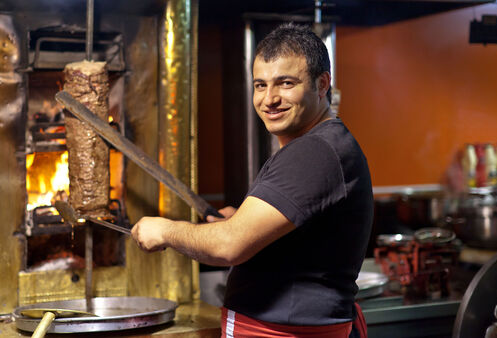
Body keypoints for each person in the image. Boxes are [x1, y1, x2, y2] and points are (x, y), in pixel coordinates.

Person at [131, 23, 373, 338]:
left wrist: (164, 230)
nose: (269, 99)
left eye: (286, 83)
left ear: (322, 83)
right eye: (260, 85)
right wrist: (243, 221)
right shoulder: (317, 144)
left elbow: (230, 246)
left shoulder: (315, 152)